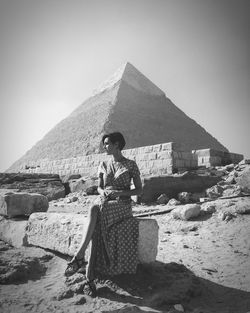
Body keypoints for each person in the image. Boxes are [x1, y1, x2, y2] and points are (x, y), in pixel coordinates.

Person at [64, 132, 142, 297]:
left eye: (107, 143)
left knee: (96, 211)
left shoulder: (131, 165)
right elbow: (99, 187)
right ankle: (88, 273)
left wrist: (121, 193)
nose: (104, 146)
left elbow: (140, 189)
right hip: (104, 201)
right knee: (95, 212)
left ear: (117, 144)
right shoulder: (103, 164)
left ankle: (80, 258)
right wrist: (104, 192)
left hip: (122, 204)